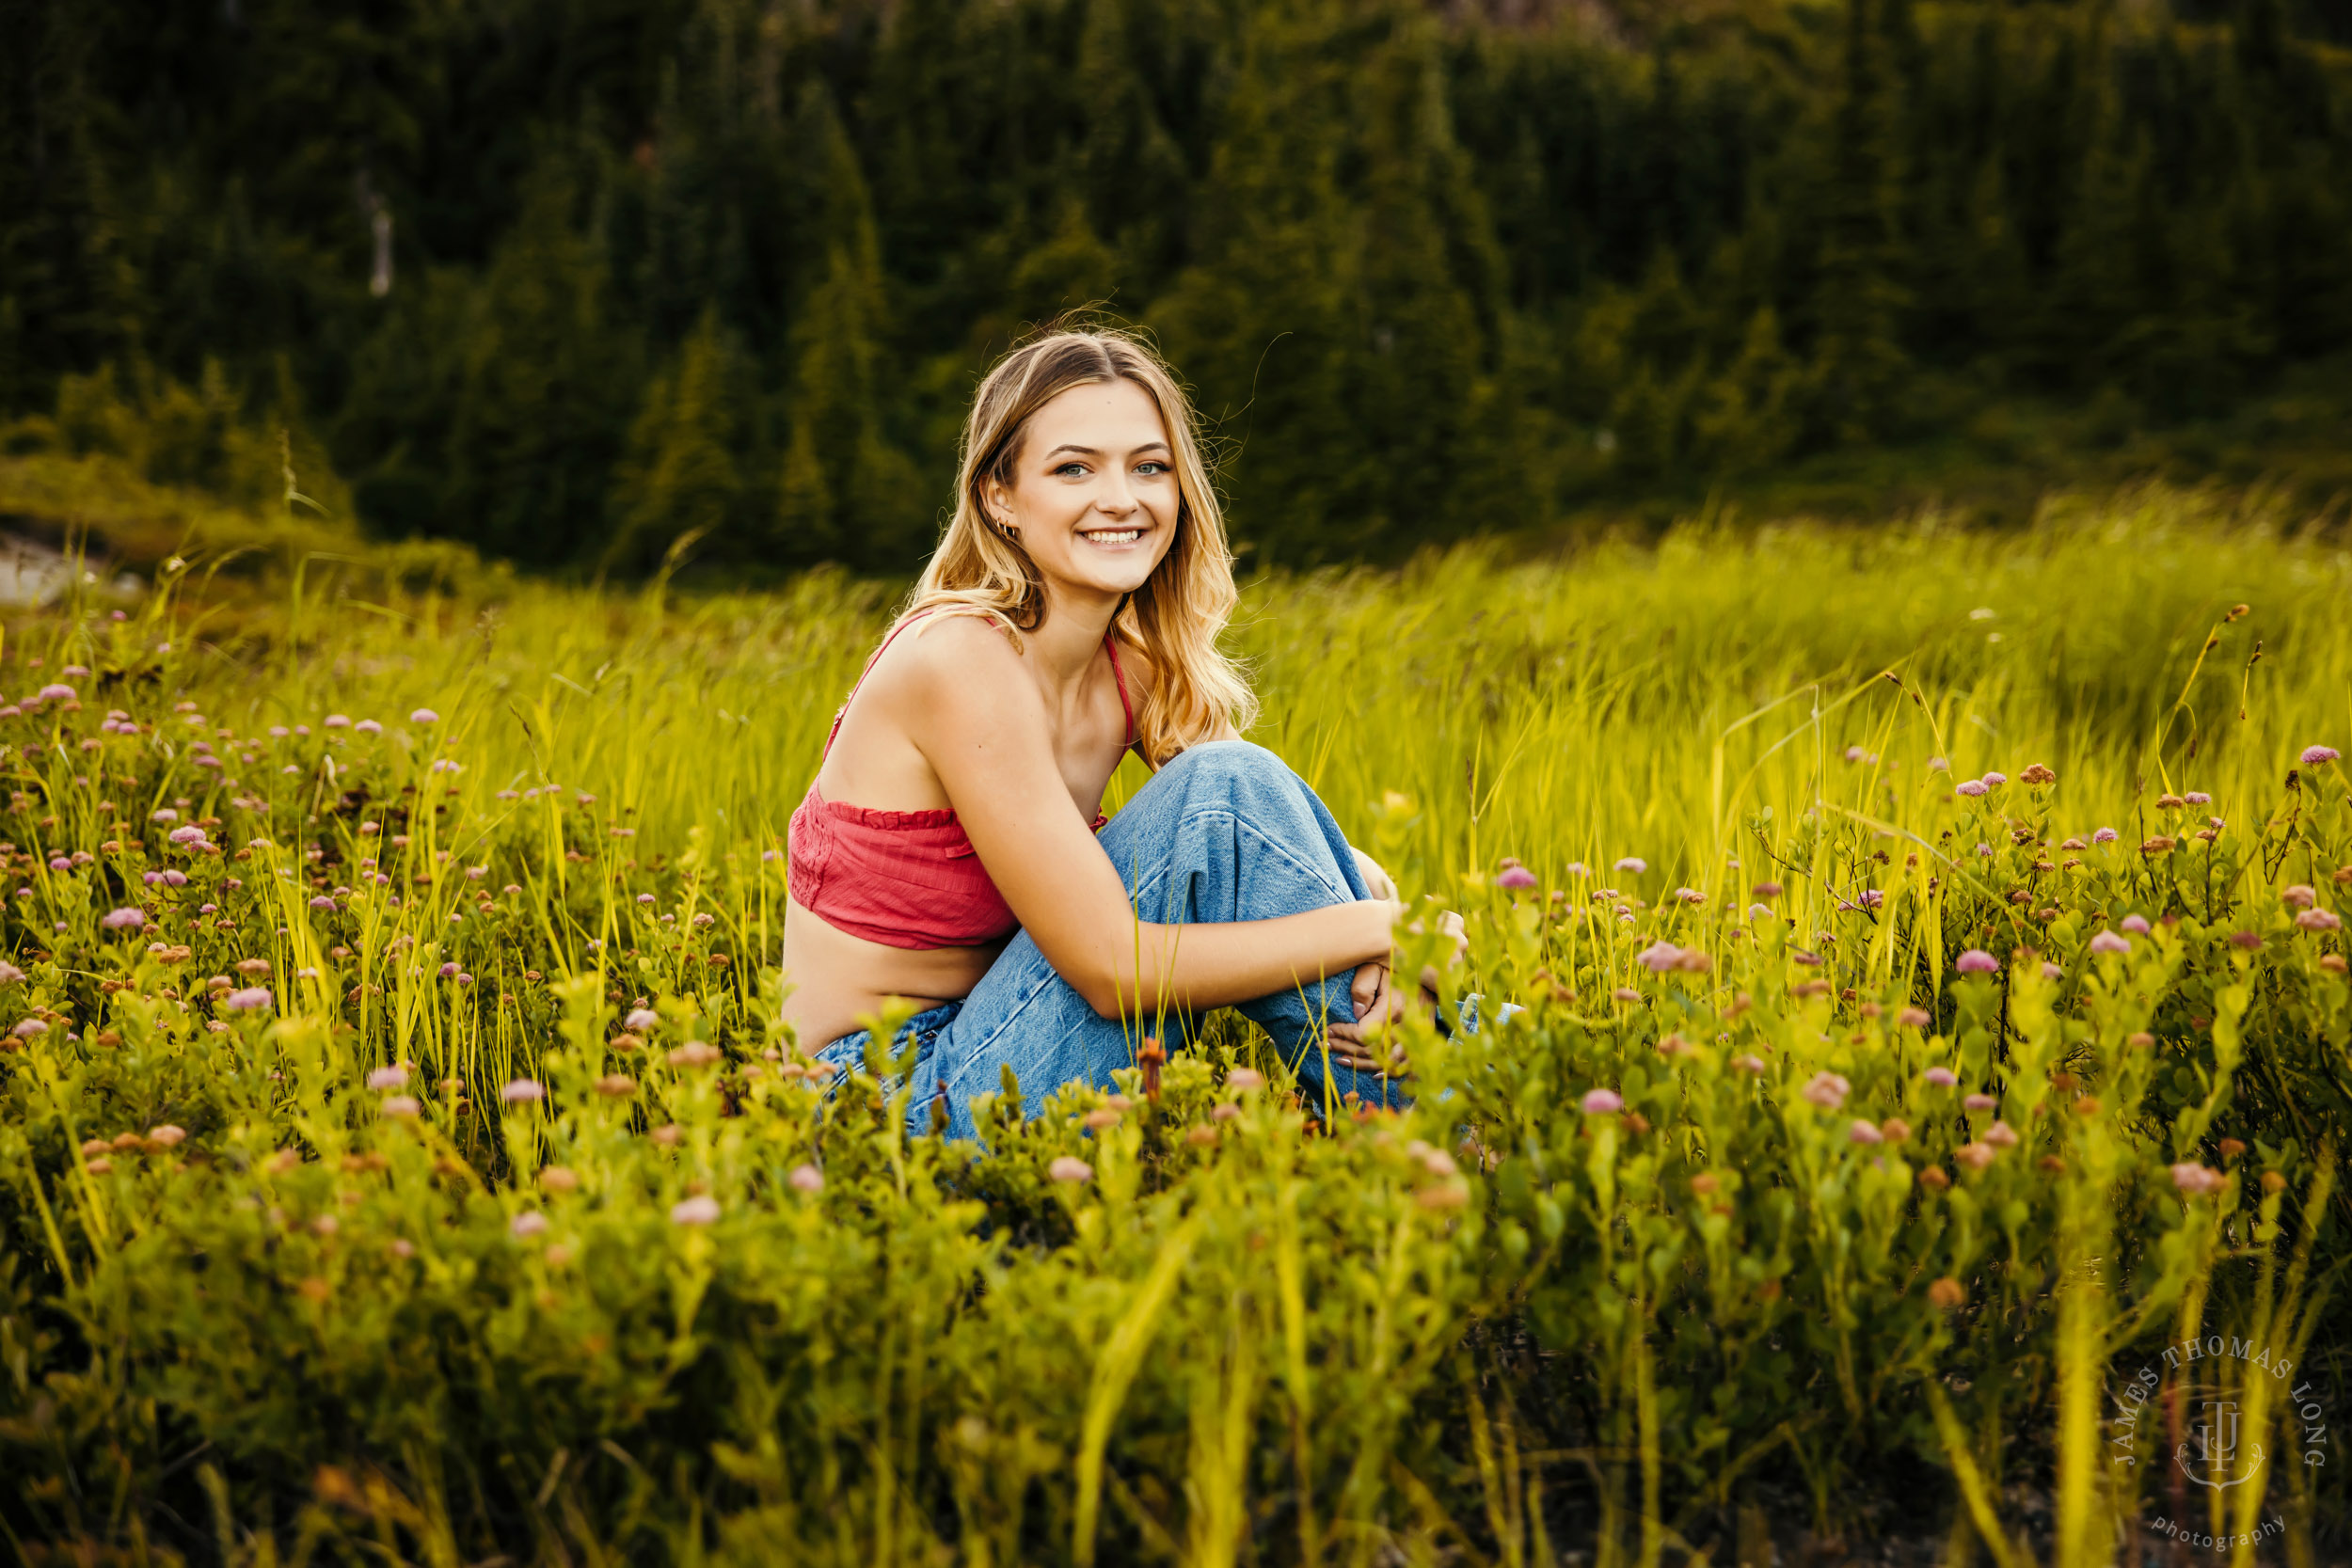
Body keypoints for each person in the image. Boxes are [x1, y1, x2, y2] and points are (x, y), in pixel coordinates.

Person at [781, 327, 1441, 1140]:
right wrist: (1389, 931)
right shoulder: (959, 658)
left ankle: (1448, 1118)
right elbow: (1111, 969)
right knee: (1223, 787)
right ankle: (1470, 1118)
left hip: (998, 1046)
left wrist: (1394, 928)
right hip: (876, 1104)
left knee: (1234, 780)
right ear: (1000, 495)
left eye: (1149, 466)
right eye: (1073, 468)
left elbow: (1279, 844)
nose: (1122, 497)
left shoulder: (1130, 671)